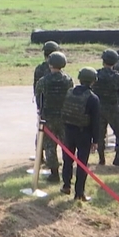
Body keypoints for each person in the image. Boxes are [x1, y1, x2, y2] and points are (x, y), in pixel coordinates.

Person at [60, 67, 101, 202]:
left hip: (68, 131)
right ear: (93, 81)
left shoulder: (69, 92)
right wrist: (96, 140)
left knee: (67, 160)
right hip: (84, 134)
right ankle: (79, 193)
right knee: (82, 163)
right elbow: (95, 121)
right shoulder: (93, 98)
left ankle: (66, 185)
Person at [35, 52, 74, 184]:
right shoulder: (68, 80)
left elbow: (38, 98)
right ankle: (67, 173)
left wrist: (41, 111)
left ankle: (54, 173)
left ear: (50, 64)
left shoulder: (43, 81)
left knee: (50, 146)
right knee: (66, 145)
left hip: (49, 117)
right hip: (64, 117)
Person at [92, 49, 119, 167]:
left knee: (100, 134)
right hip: (113, 107)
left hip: (98, 107)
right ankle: (118, 157)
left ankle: (101, 158)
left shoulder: (96, 74)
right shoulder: (117, 76)